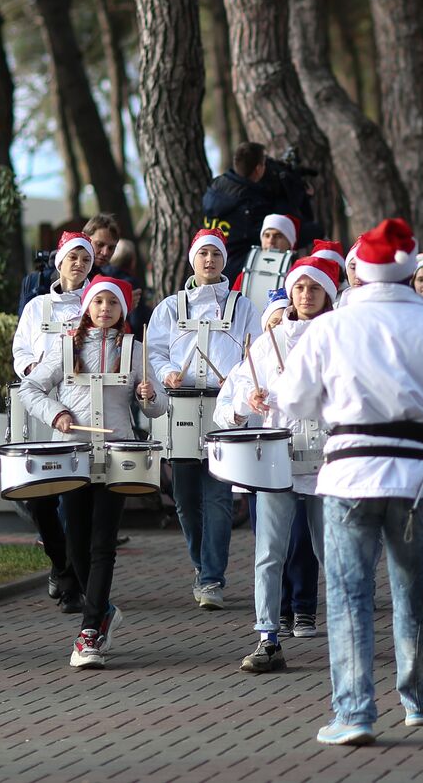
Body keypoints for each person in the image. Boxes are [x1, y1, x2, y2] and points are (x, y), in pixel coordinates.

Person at [272, 218, 423, 745]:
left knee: (348, 595)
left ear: (361, 272)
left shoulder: (330, 327)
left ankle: (354, 712)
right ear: (409, 269)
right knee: (414, 590)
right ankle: (419, 701)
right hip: (415, 478)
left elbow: (293, 400)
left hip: (347, 473)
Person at [21, 276, 166, 668]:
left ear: (123, 310)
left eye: (113, 304)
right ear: (87, 307)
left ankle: (89, 632)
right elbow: (29, 388)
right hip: (73, 453)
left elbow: (158, 407)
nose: (105, 309)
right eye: (98, 302)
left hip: (117, 453)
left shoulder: (134, 349)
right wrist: (58, 413)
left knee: (102, 543)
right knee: (75, 542)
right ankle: (101, 609)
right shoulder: (65, 345)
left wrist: (150, 397)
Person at [221, 257, 339, 673]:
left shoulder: (340, 337)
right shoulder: (267, 342)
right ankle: (268, 637)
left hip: (328, 465)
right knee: (269, 553)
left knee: (337, 553)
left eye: (314, 288)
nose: (306, 295)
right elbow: (229, 405)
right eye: (299, 287)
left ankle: (348, 632)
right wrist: (245, 402)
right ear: (289, 292)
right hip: (277, 463)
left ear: (328, 294)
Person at [147, 228, 263, 610]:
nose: (209, 260)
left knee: (218, 496)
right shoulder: (169, 306)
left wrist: (240, 376)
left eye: (215, 254)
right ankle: (201, 565)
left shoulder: (242, 306)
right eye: (203, 254)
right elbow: (155, 352)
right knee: (183, 496)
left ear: (224, 260)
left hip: (221, 408)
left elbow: (255, 352)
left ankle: (212, 577)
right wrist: (166, 374)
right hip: (181, 406)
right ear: (192, 260)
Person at [11, 231, 96, 615]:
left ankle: (76, 582)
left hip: (80, 410)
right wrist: (32, 368)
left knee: (77, 495)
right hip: (41, 405)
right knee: (38, 494)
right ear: (58, 262)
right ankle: (60, 565)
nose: (78, 265)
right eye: (72, 258)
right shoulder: (36, 307)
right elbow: (21, 350)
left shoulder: (98, 303)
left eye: (85, 260)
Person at [203, 142, 307, 279]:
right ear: (258, 169)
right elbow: (282, 232)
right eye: (264, 164)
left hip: (213, 270)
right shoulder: (253, 203)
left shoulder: (216, 187)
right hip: (243, 274)